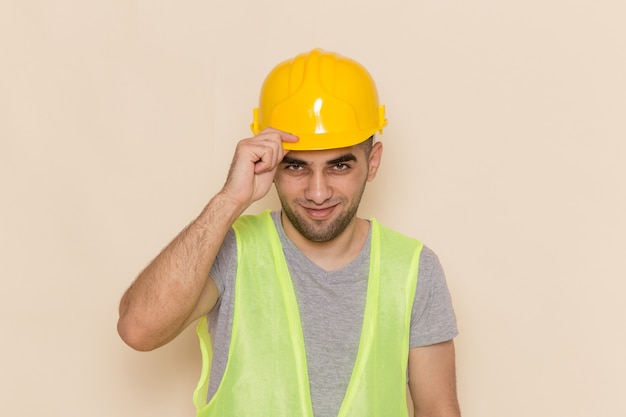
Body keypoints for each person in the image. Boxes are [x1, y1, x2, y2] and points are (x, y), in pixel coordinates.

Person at [117, 48, 461, 417]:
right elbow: (138, 330)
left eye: (339, 165)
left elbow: (439, 410)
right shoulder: (231, 250)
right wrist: (229, 200)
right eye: (296, 167)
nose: (317, 192)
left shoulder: (413, 270)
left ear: (372, 162)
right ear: (271, 164)